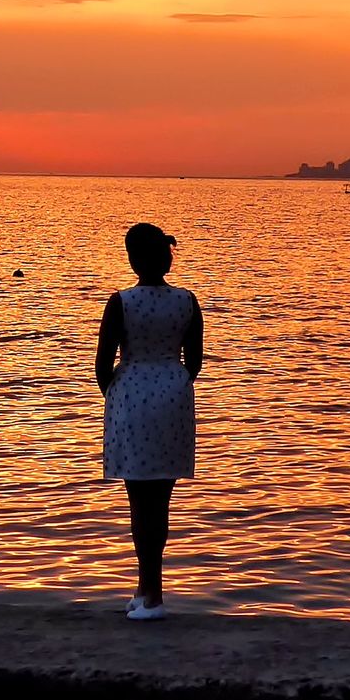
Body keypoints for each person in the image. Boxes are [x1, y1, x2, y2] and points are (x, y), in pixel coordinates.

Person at [95, 222, 203, 621]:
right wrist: (170, 383)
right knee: (161, 500)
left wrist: (121, 392)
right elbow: (194, 361)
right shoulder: (187, 301)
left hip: (132, 397)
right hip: (174, 398)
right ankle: (145, 590)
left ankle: (152, 595)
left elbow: (103, 365)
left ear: (132, 258)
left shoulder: (120, 302)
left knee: (140, 502)